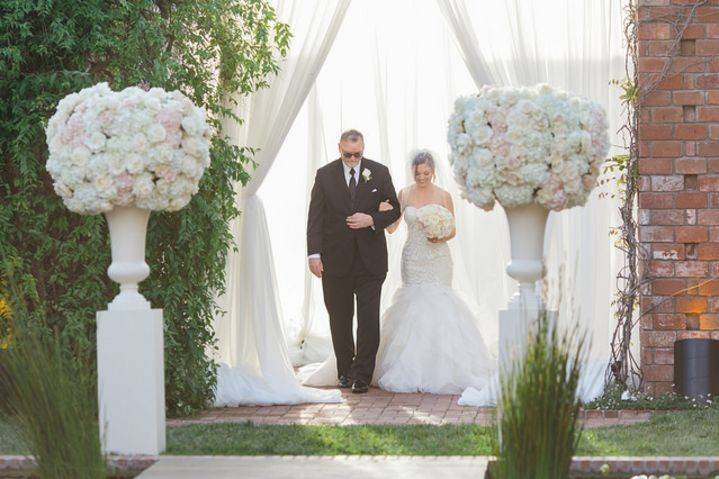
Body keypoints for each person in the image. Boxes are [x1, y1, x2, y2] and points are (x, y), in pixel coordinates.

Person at [306, 129, 401, 393]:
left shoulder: (379, 172)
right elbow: (315, 217)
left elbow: (395, 208)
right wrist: (314, 254)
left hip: (371, 262)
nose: (352, 158)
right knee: (339, 318)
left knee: (369, 320)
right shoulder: (324, 175)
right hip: (335, 260)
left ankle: (362, 375)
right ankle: (345, 371)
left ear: (363, 149)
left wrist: (372, 219)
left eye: (357, 154)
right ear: (339, 148)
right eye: (347, 154)